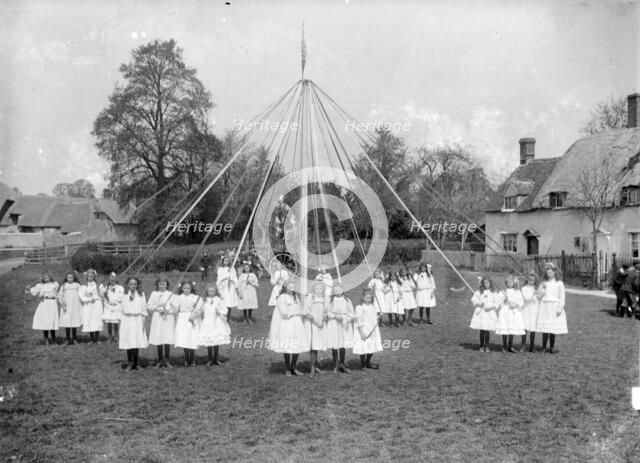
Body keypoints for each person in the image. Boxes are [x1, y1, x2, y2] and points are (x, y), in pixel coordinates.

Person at [267, 282, 309, 376]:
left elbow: (299, 308)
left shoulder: (295, 297)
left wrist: (302, 312)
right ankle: (287, 368)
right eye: (290, 287)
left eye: (293, 286)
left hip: (296, 323)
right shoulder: (281, 298)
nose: (292, 288)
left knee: (296, 345)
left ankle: (293, 367)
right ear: (285, 287)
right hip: (286, 324)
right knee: (288, 345)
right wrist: (297, 314)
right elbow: (284, 313)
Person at [536, 263, 567, 354]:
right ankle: (544, 347)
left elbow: (562, 297)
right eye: (547, 273)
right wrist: (543, 289)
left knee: (552, 328)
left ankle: (552, 347)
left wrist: (560, 307)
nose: (548, 274)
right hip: (545, 306)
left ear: (554, 272)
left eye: (550, 272)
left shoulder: (559, 283)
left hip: (554, 306)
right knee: (545, 328)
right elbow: (538, 296)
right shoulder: (543, 283)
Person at [196, 285, 230, 366]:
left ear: (216, 292)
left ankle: (216, 359)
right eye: (209, 291)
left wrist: (220, 312)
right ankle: (210, 359)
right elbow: (200, 310)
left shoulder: (218, 300)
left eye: (213, 291)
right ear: (207, 292)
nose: (211, 293)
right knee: (209, 340)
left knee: (216, 340)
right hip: (207, 322)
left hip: (216, 322)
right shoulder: (204, 301)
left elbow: (224, 309)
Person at [119, 277, 148, 371]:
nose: (133, 286)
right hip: (127, 320)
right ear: (128, 284)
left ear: (137, 285)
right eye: (131, 284)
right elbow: (120, 307)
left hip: (137, 320)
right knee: (129, 341)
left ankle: (136, 363)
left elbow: (143, 308)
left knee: (136, 341)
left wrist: (143, 321)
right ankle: (129, 363)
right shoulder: (123, 294)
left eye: (135, 284)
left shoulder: (141, 294)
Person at [147, 277, 176, 368]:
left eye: (164, 284)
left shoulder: (171, 294)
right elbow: (149, 306)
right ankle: (160, 359)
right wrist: (158, 306)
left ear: (167, 285)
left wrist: (168, 311)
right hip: (158, 318)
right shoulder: (154, 293)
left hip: (168, 318)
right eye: (160, 284)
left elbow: (175, 307)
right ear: (157, 284)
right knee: (159, 337)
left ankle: (167, 359)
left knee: (167, 338)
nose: (162, 286)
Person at [326, 283, 354, 374]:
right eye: (336, 290)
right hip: (334, 323)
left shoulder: (347, 300)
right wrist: (334, 316)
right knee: (335, 344)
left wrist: (346, 319)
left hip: (343, 324)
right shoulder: (331, 300)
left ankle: (342, 364)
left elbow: (351, 313)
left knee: (342, 344)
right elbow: (328, 312)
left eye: (339, 290)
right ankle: (335, 365)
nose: (338, 292)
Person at [352, 288, 383, 370]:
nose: (368, 300)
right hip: (364, 329)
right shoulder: (359, 307)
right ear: (363, 297)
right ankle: (362, 364)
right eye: (367, 298)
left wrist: (378, 317)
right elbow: (358, 320)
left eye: (370, 298)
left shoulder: (373, 306)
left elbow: (373, 317)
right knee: (363, 347)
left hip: (372, 329)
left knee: (372, 346)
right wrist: (361, 332)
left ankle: (367, 362)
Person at [172, 281, 201, 366]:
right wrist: (173, 307)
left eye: (188, 288)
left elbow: (199, 310)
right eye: (185, 288)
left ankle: (192, 359)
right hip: (183, 318)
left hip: (192, 317)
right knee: (185, 338)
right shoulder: (178, 298)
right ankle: (186, 358)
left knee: (191, 337)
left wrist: (195, 311)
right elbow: (176, 310)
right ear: (182, 289)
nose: (187, 290)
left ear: (191, 289)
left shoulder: (195, 297)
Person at [304, 281, 328, 378]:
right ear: (314, 289)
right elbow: (306, 311)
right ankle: (312, 368)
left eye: (320, 289)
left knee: (318, 345)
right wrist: (315, 321)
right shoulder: (311, 297)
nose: (319, 290)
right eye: (317, 289)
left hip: (321, 323)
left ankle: (316, 365)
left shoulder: (323, 298)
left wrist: (324, 318)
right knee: (313, 347)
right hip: (313, 324)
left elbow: (325, 310)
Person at [495, 275, 525, 353]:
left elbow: (521, 301)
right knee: (505, 329)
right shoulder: (503, 292)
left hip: (514, 312)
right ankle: (504, 345)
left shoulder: (517, 291)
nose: (509, 284)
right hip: (505, 312)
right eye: (508, 282)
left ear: (513, 283)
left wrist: (516, 305)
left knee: (512, 329)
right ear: (506, 283)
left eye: (511, 282)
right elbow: (498, 302)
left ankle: (510, 346)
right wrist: (503, 300)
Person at [27, 273, 59, 345]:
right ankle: (46, 339)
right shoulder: (40, 285)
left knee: (52, 320)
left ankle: (54, 339)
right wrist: (29, 289)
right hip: (44, 303)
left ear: (50, 278)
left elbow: (58, 291)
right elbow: (34, 291)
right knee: (45, 321)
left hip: (53, 303)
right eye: (45, 278)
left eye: (48, 277)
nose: (46, 279)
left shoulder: (55, 284)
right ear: (43, 279)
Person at [470, 276, 500, 352]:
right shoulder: (479, 292)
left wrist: (490, 307)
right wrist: (479, 303)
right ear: (482, 284)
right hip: (481, 313)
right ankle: (481, 345)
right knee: (482, 330)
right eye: (485, 283)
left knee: (487, 330)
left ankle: (486, 345)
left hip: (489, 312)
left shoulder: (493, 292)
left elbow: (497, 302)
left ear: (490, 283)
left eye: (488, 283)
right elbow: (473, 299)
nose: (486, 284)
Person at [79, 269, 104, 344]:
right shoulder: (83, 286)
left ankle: (96, 338)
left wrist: (100, 291)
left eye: (92, 276)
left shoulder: (99, 285)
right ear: (86, 276)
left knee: (97, 320)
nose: (90, 277)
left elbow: (102, 296)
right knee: (89, 320)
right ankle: (91, 338)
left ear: (94, 276)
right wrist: (90, 299)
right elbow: (81, 297)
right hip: (88, 305)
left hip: (97, 304)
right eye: (89, 276)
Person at [57, 272, 82, 345]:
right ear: (66, 278)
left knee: (74, 322)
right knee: (67, 323)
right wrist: (63, 303)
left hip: (75, 306)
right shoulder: (64, 286)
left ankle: (74, 338)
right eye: (68, 277)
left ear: (74, 278)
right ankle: (67, 339)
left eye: (71, 277)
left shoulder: (77, 285)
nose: (70, 279)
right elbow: (59, 296)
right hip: (66, 306)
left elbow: (82, 292)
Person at [100, 272, 124, 343]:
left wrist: (114, 301)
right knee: (109, 322)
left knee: (115, 322)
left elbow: (121, 297)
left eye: (114, 279)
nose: (112, 281)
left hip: (116, 306)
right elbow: (101, 295)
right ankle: (110, 336)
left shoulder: (120, 287)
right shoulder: (106, 287)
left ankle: (116, 336)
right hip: (108, 307)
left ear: (116, 280)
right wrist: (104, 291)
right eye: (111, 279)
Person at [519, 273, 540, 352]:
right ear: (527, 280)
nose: (532, 281)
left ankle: (532, 346)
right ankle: (523, 345)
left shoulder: (536, 288)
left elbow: (539, 298)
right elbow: (526, 298)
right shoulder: (524, 288)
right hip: (526, 309)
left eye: (533, 280)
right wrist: (533, 293)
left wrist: (540, 292)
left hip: (534, 309)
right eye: (530, 280)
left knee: (533, 328)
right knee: (525, 327)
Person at [217, 256, 238, 323]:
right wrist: (226, 276)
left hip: (230, 286)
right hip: (224, 287)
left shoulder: (232, 268)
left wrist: (231, 276)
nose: (226, 262)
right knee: (224, 302)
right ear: (222, 261)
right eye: (225, 261)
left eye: (227, 261)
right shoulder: (220, 269)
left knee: (229, 302)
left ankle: (229, 317)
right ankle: (223, 317)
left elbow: (234, 276)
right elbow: (220, 277)